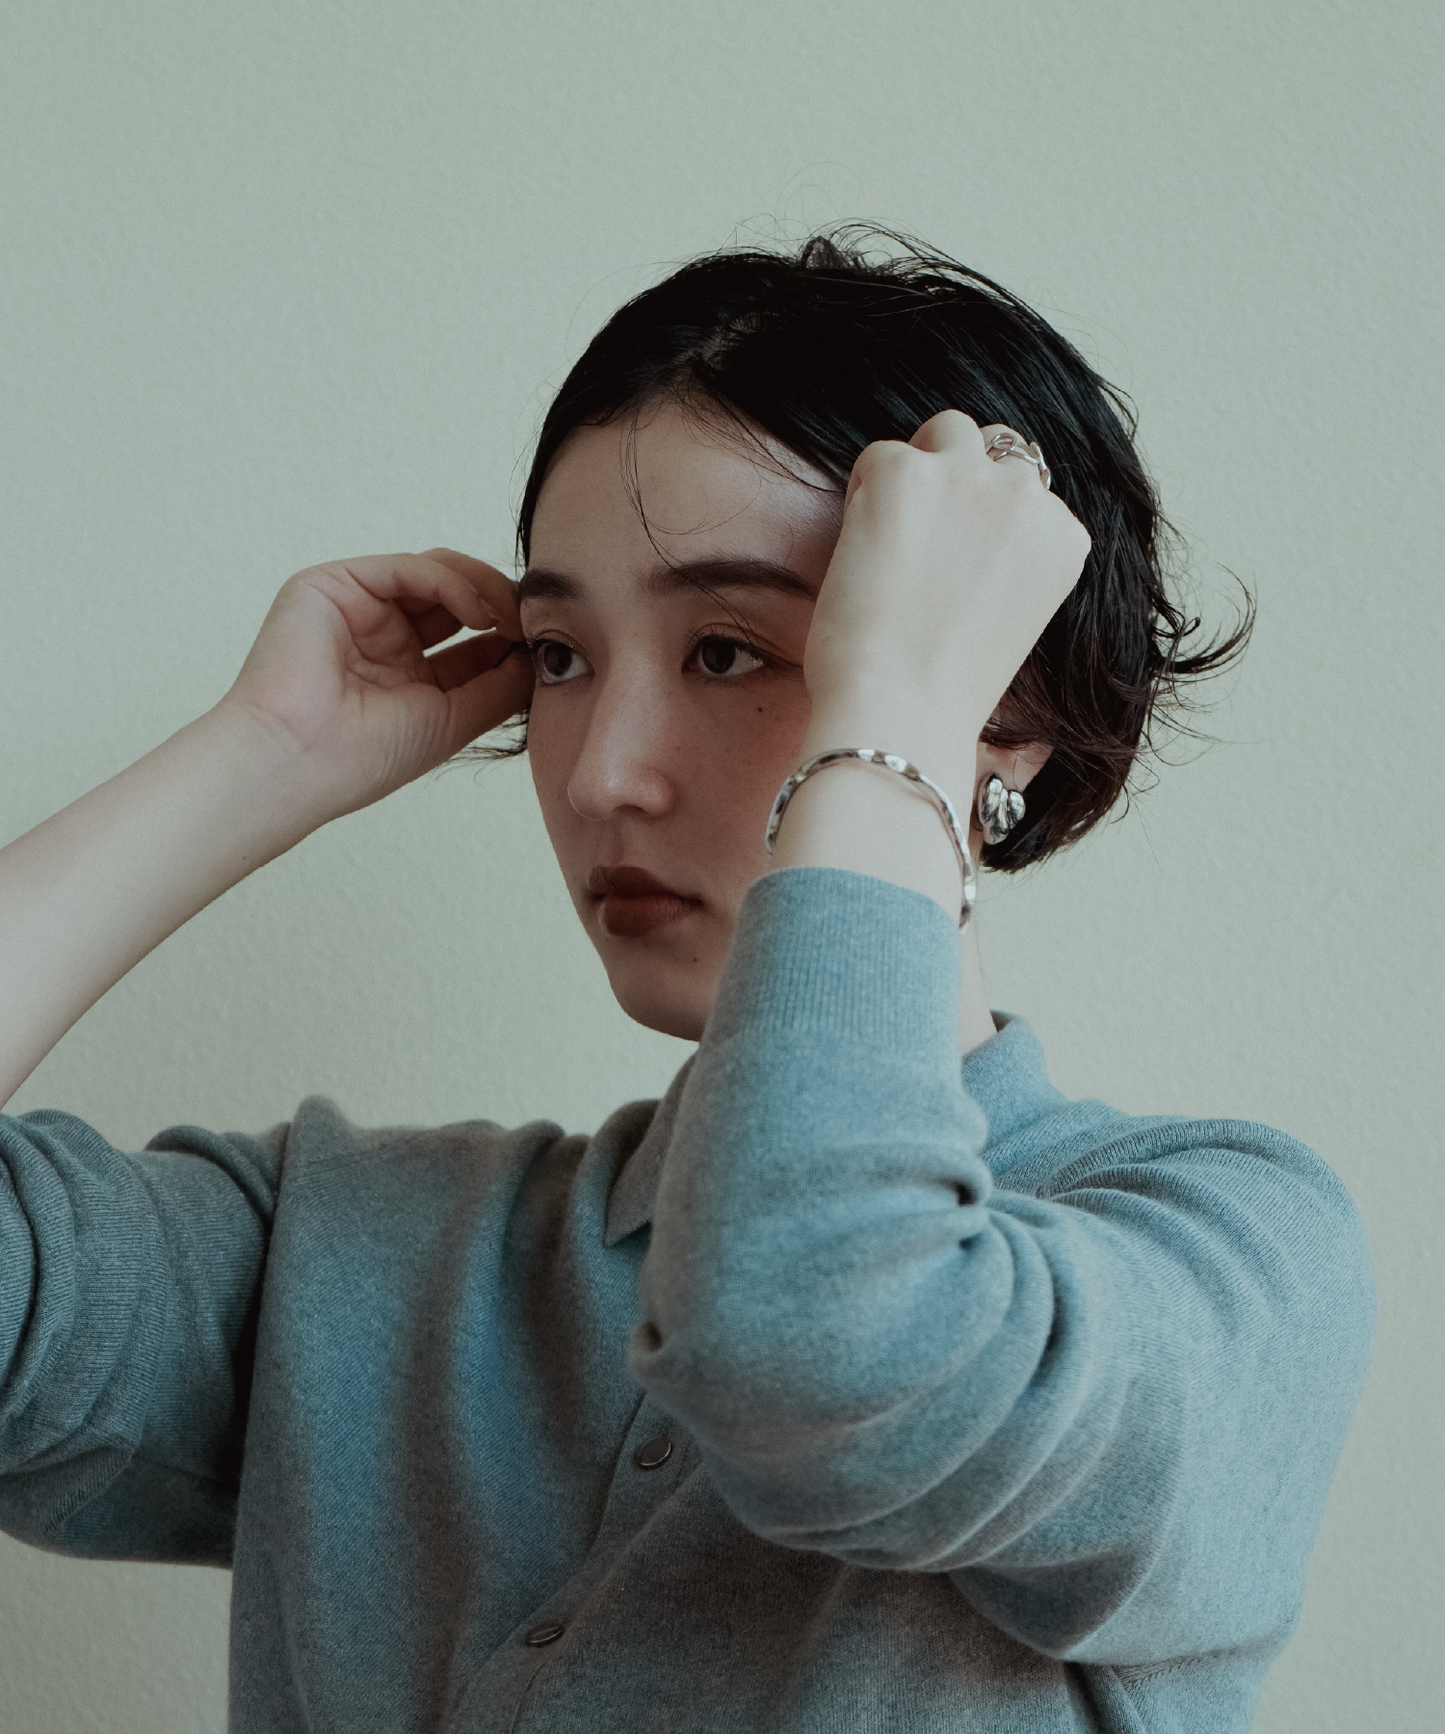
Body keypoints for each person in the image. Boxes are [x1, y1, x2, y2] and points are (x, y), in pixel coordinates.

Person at [0, 232, 1373, 1733]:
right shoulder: (355, 1248)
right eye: (559, 657)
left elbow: (817, 1338)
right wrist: (255, 760)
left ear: (1002, 711)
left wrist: (896, 724)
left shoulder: (1227, 1259)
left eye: (727, 651)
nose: (604, 774)